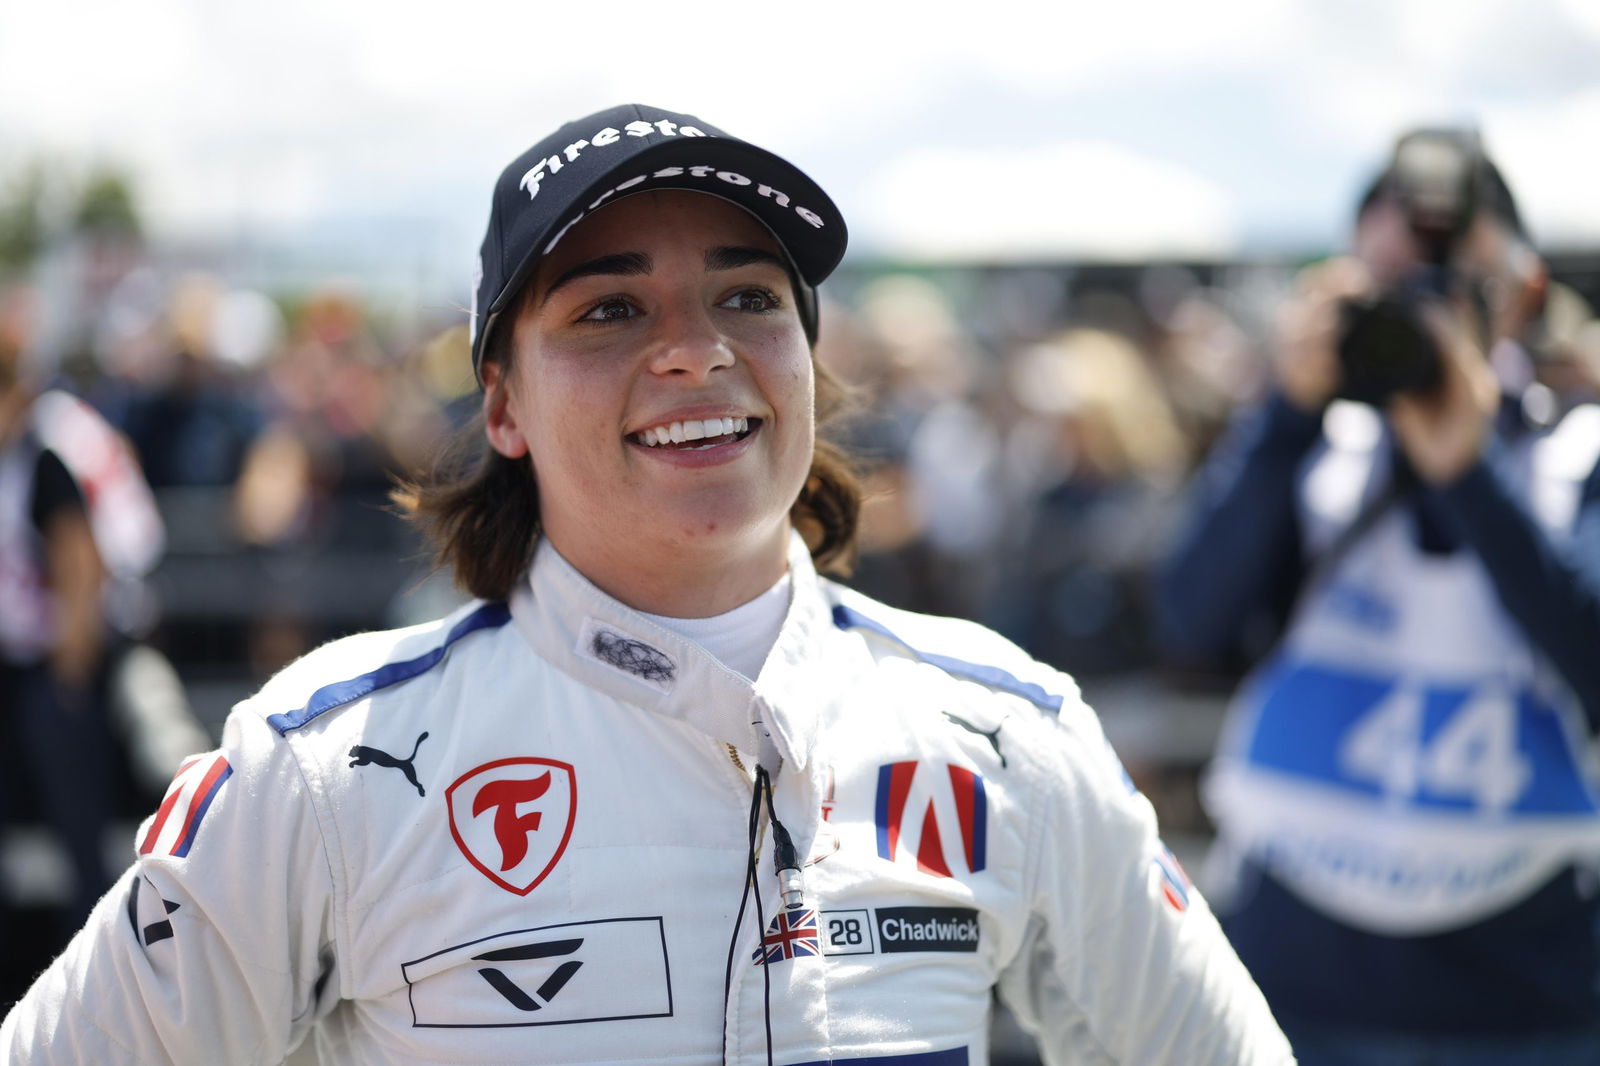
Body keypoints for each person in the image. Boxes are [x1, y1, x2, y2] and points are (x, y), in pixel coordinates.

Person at [1, 104, 1293, 1065]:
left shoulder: (1004, 730)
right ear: (500, 400)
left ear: (806, 363)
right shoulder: (329, 765)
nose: (694, 349)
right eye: (609, 311)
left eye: (747, 295)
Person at [1157, 131, 1600, 1064]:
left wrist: (1472, 473)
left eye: (1451, 292)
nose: (1419, 320)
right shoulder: (1311, 442)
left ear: (1522, 297)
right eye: (1389, 291)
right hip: (1290, 981)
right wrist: (1283, 412)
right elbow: (1191, 621)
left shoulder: (1578, 452)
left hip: (1527, 1000)